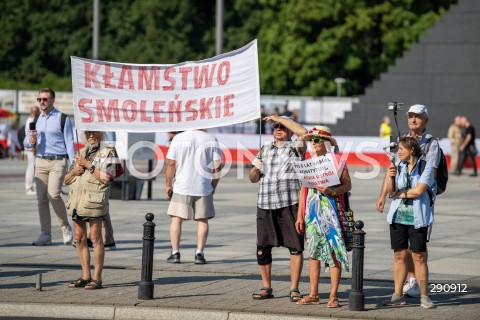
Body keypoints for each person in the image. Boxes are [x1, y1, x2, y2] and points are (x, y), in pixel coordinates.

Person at [376, 104, 440, 298]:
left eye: (418, 117)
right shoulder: (400, 139)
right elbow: (391, 171)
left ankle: (419, 287)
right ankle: (410, 280)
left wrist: (409, 191)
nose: (413, 120)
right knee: (401, 251)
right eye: (410, 116)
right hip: (401, 201)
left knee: (418, 249)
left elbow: (431, 174)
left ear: (426, 120)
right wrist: (382, 196)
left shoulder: (431, 143)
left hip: (421, 200)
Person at [249, 115, 307, 302]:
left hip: (289, 203)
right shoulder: (264, 148)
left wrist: (277, 117)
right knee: (263, 248)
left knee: (295, 247)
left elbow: (303, 133)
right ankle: (266, 287)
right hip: (265, 203)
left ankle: (294, 288)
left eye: (282, 126)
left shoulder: (295, 148)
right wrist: (256, 168)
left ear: (289, 130)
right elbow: (253, 178)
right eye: (275, 126)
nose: (278, 129)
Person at [294, 126, 351, 307]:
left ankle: (333, 295)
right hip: (311, 211)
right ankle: (314, 293)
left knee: (334, 252)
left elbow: (347, 185)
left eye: (316, 140)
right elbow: (304, 189)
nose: (313, 143)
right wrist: (299, 215)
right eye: (311, 140)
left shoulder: (337, 161)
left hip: (332, 210)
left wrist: (332, 191)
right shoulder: (309, 161)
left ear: (326, 142)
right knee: (313, 253)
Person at [382, 137, 436, 309]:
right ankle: (397, 295)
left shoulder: (426, 166)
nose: (398, 151)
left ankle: (424, 296)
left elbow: (419, 191)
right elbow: (392, 191)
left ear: (411, 150)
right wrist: (391, 178)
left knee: (419, 256)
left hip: (418, 218)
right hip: (398, 216)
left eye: (401, 149)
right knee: (399, 255)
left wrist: (399, 194)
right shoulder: (398, 166)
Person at [64, 130, 119, 290]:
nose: (91, 136)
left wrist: (88, 164)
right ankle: (86, 275)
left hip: (94, 201)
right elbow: (66, 180)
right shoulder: (80, 152)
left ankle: (97, 278)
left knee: (96, 238)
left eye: (95, 132)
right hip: (77, 201)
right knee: (79, 238)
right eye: (88, 133)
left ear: (102, 133)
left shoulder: (108, 152)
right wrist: (74, 171)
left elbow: (106, 178)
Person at [23, 88, 75, 246]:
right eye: (39, 99)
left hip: (57, 161)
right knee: (41, 200)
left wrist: (74, 166)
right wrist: (30, 140)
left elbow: (70, 142)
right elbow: (26, 143)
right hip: (40, 161)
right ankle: (46, 234)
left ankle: (65, 226)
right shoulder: (36, 119)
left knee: (53, 195)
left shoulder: (62, 118)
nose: (42, 102)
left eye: (45, 99)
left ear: (52, 100)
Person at [165, 129, 222, 264]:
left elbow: (171, 164)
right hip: (203, 186)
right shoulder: (211, 138)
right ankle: (199, 253)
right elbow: (217, 167)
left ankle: (175, 253)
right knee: (202, 220)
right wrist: (213, 185)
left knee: (177, 219)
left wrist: (168, 184)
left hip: (182, 186)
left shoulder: (178, 138)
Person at [24, 106, 40, 196]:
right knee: (31, 168)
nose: (35, 113)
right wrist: (33, 147)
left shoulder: (31, 119)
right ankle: (29, 187)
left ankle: (33, 185)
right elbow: (31, 135)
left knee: (34, 168)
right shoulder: (31, 120)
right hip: (31, 148)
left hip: (32, 147)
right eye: (34, 111)